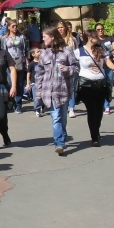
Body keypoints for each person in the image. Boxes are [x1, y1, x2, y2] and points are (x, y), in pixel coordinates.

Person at [33, 27, 79, 155]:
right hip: (49, 92)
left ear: (52, 37)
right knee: (56, 117)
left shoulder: (67, 51)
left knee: (62, 118)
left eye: (45, 36)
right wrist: (38, 93)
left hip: (63, 90)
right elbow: (39, 75)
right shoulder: (44, 53)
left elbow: (76, 68)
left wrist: (68, 69)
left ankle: (62, 135)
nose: (43, 39)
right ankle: (59, 143)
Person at [76, 31, 110, 146]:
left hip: (101, 83)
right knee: (91, 110)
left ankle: (96, 129)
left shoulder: (101, 49)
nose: (98, 37)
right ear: (89, 38)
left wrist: (113, 68)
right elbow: (72, 64)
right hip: (86, 84)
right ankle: (94, 136)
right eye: (95, 36)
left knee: (99, 110)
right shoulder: (79, 51)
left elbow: (108, 62)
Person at [2, 20, 28, 114]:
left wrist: (26, 60)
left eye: (16, 26)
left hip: (20, 61)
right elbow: (3, 51)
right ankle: (11, 101)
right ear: (8, 27)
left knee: (19, 84)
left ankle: (18, 105)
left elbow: (25, 49)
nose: (15, 28)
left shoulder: (21, 37)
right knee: (10, 83)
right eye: (13, 26)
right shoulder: (5, 38)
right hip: (9, 62)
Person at [95, 23, 114, 114]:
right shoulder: (95, 40)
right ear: (96, 31)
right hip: (99, 67)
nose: (100, 31)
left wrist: (109, 53)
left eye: (102, 29)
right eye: (98, 29)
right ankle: (104, 105)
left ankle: (107, 105)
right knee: (99, 87)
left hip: (109, 66)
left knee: (109, 87)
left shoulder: (110, 38)